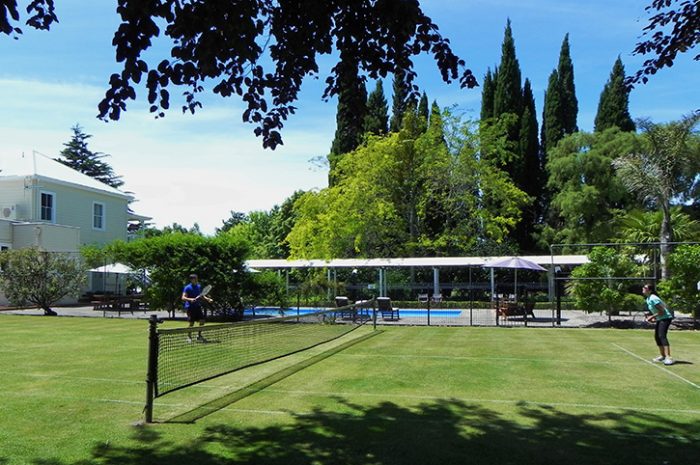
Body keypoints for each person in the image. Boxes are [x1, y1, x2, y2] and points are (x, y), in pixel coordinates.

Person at [642, 284, 674, 365]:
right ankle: (662, 356)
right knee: (657, 337)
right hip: (661, 318)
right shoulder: (648, 299)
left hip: (666, 318)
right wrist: (654, 318)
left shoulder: (653, 298)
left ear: (650, 290)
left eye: (645, 288)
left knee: (662, 336)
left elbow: (662, 311)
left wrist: (652, 317)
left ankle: (668, 357)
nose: (643, 288)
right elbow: (657, 312)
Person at [182, 273, 212, 342]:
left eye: (197, 278)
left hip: (197, 306)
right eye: (195, 279)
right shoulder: (187, 287)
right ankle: (189, 337)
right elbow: (183, 297)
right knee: (191, 323)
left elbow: (201, 295)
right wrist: (190, 299)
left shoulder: (198, 286)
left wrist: (208, 299)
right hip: (190, 307)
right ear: (191, 280)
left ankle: (199, 335)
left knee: (202, 321)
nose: (196, 280)